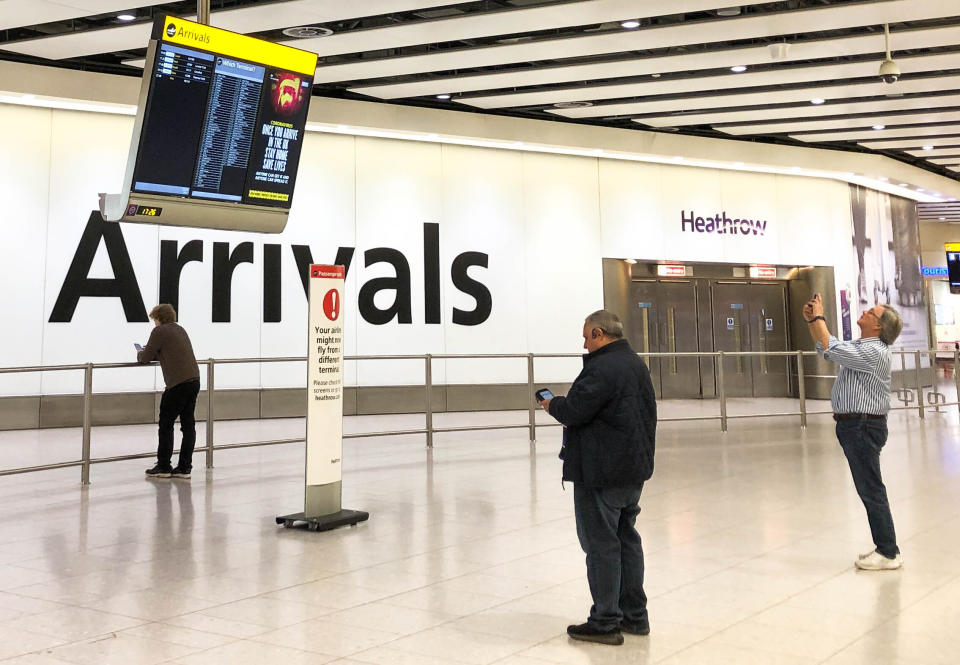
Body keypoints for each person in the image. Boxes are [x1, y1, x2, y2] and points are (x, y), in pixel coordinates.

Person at [539, 310, 657, 646]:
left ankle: (605, 620)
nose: (584, 342)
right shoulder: (635, 363)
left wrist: (552, 404)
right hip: (633, 470)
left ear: (599, 333)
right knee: (626, 540)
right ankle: (634, 616)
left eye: (587, 336)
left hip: (602, 471)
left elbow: (575, 410)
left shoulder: (602, 367)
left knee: (601, 545)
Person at [804, 293, 903, 570]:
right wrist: (813, 320)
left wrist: (819, 318)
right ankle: (885, 548)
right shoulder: (863, 346)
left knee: (871, 489)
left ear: (879, 326)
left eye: (871, 312)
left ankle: (888, 552)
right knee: (869, 488)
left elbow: (832, 348)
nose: (865, 312)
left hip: (862, 425)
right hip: (854, 425)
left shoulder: (874, 352)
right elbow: (827, 349)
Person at [137, 304, 200, 480]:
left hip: (177, 384)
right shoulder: (180, 329)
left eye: (154, 319)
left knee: (166, 424)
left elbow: (146, 357)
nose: (154, 323)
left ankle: (164, 465)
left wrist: (140, 353)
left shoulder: (159, 332)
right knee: (188, 426)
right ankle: (185, 467)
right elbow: (171, 352)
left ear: (160, 318)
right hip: (194, 380)